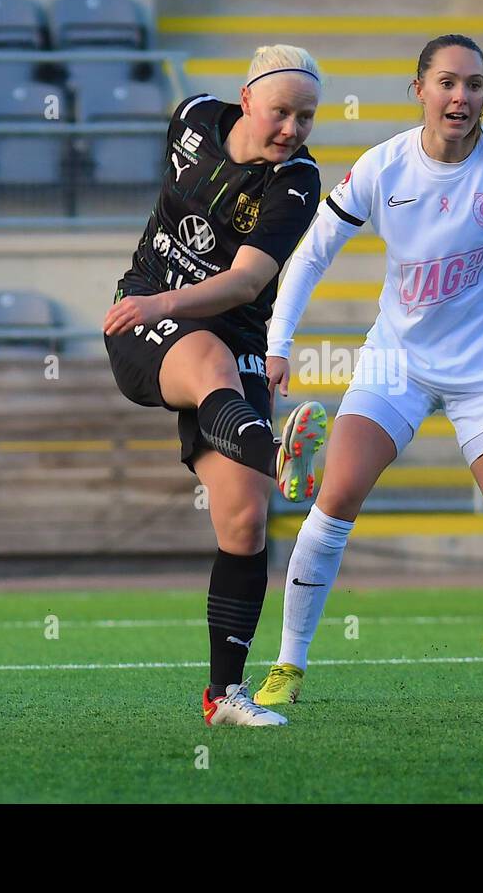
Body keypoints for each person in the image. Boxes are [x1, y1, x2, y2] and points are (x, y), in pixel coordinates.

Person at [253, 34, 483, 707]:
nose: (461, 97)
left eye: (475, 85)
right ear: (419, 90)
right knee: (335, 499)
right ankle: (288, 663)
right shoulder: (382, 167)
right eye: (448, 83)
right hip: (396, 364)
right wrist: (279, 341)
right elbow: (311, 256)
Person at [102, 45, 328, 727]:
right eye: (281, 111)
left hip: (233, 333)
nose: (291, 128)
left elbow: (248, 283)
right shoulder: (194, 118)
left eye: (306, 117)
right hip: (144, 316)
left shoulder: (297, 184)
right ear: (247, 99)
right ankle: (276, 453)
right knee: (208, 365)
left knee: (245, 520)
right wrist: (157, 304)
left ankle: (222, 696)